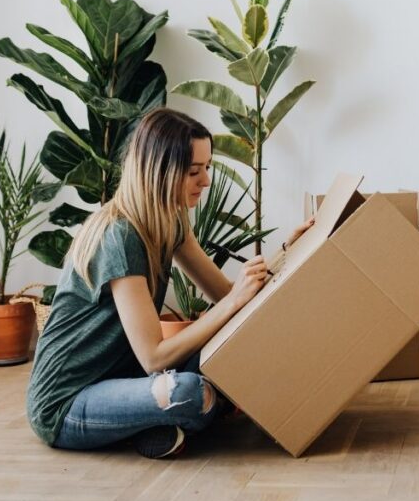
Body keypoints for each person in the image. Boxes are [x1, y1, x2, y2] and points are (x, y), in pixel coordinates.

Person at [26, 108, 313, 459]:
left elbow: (229, 295)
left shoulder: (170, 220)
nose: (205, 180)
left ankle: (159, 422)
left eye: (207, 168)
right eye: (194, 171)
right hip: (67, 403)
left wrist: (287, 253)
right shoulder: (120, 234)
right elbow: (153, 357)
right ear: (159, 171)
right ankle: (170, 413)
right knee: (190, 391)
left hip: (125, 380)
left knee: (230, 349)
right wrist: (233, 302)